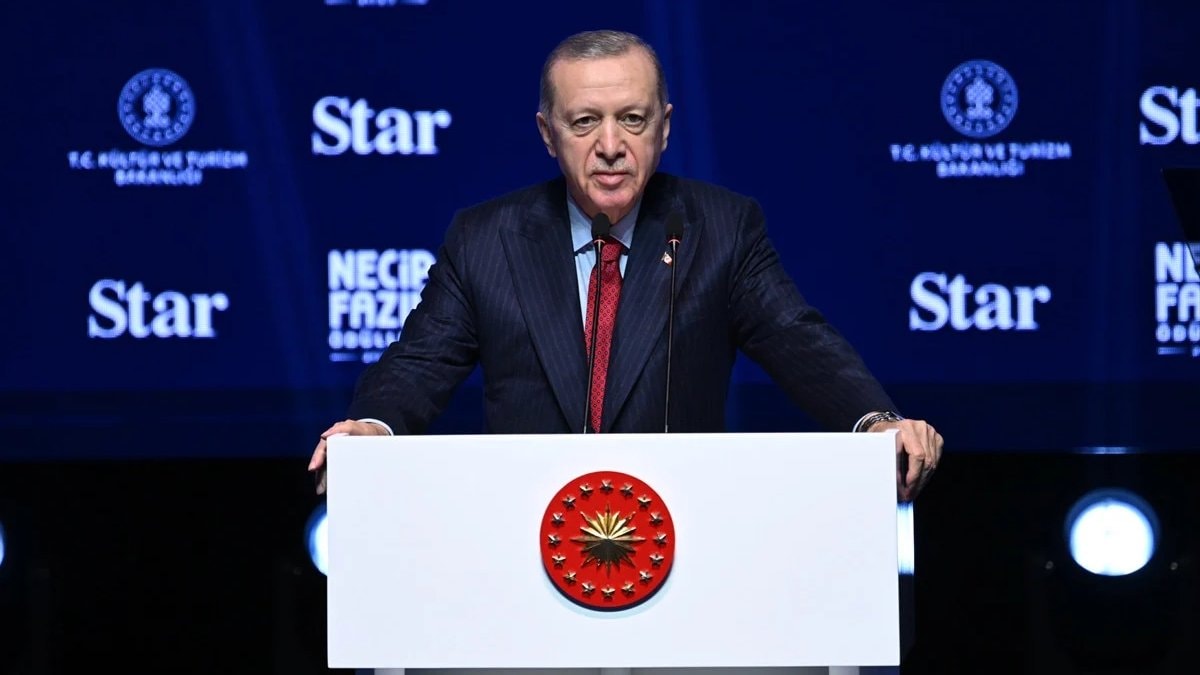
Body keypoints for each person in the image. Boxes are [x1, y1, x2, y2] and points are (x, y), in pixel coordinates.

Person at [308, 29, 943, 501]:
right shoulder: (485, 238)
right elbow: (421, 361)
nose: (610, 145)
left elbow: (796, 339)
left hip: (678, 533)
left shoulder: (721, 228)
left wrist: (875, 422)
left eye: (632, 120)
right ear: (547, 133)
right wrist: (373, 428)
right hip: (523, 534)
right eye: (585, 122)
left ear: (663, 128)